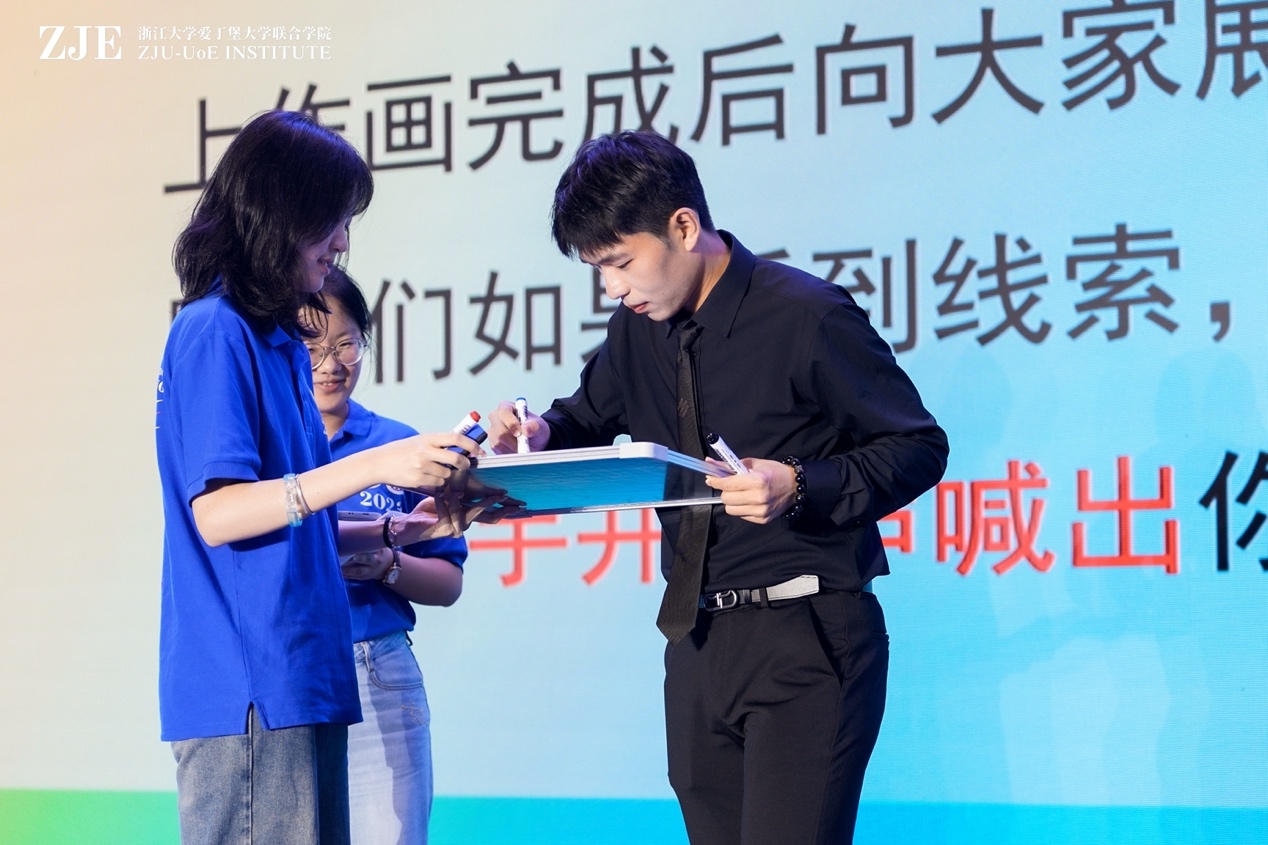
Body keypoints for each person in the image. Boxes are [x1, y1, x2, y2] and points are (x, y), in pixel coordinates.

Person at [487, 130, 949, 845]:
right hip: (697, 639)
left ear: (683, 226)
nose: (614, 288)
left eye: (620, 263)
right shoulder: (636, 331)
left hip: (808, 635)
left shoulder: (806, 314)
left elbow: (918, 446)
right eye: (599, 271)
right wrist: (538, 432)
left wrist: (799, 483)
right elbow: (583, 417)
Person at [156, 110, 480, 845]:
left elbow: (298, 523)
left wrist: (403, 528)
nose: (341, 243)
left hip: (307, 675)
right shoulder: (214, 330)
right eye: (332, 222)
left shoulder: (275, 343)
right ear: (279, 215)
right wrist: (377, 464)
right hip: (251, 682)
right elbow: (220, 514)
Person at [305, 267, 465, 845]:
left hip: (375, 666)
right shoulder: (267, 449)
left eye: (346, 345)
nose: (331, 365)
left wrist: (388, 565)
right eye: (312, 348)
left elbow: (448, 581)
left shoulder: (400, 446)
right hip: (291, 671)